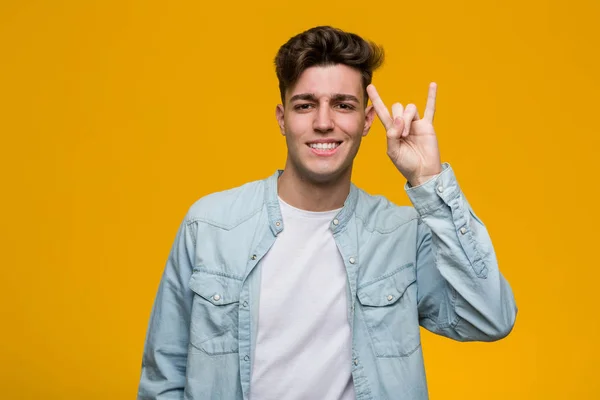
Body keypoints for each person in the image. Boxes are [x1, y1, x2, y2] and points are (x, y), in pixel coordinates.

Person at [137, 25, 517, 400]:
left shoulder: (400, 235)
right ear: (282, 118)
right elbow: (162, 378)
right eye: (305, 105)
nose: (323, 122)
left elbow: (489, 317)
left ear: (366, 121)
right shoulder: (210, 226)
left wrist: (429, 181)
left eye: (343, 105)